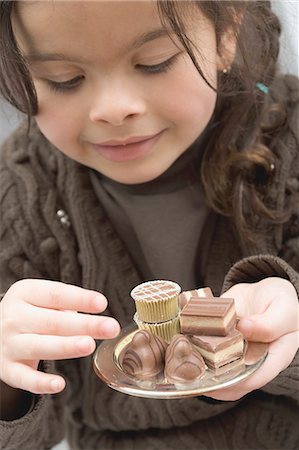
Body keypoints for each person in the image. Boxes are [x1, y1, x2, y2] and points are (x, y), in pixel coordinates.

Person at [0, 1, 298, 449]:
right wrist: (8, 380)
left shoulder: (289, 142)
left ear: (227, 32)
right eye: (65, 79)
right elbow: (32, 432)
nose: (115, 109)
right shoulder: (21, 196)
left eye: (154, 63)